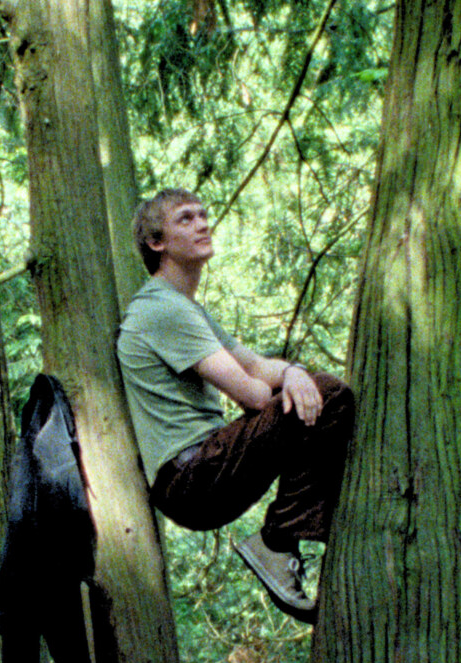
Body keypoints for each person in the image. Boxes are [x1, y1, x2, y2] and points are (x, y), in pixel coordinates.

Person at [116, 188, 355, 622]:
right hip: (191, 476)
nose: (203, 223)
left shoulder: (187, 309)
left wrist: (293, 372)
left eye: (204, 214)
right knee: (330, 397)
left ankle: (285, 540)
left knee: (315, 395)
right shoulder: (160, 310)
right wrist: (292, 383)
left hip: (204, 470)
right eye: (186, 219)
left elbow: (260, 366)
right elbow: (251, 394)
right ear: (157, 243)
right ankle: (277, 543)